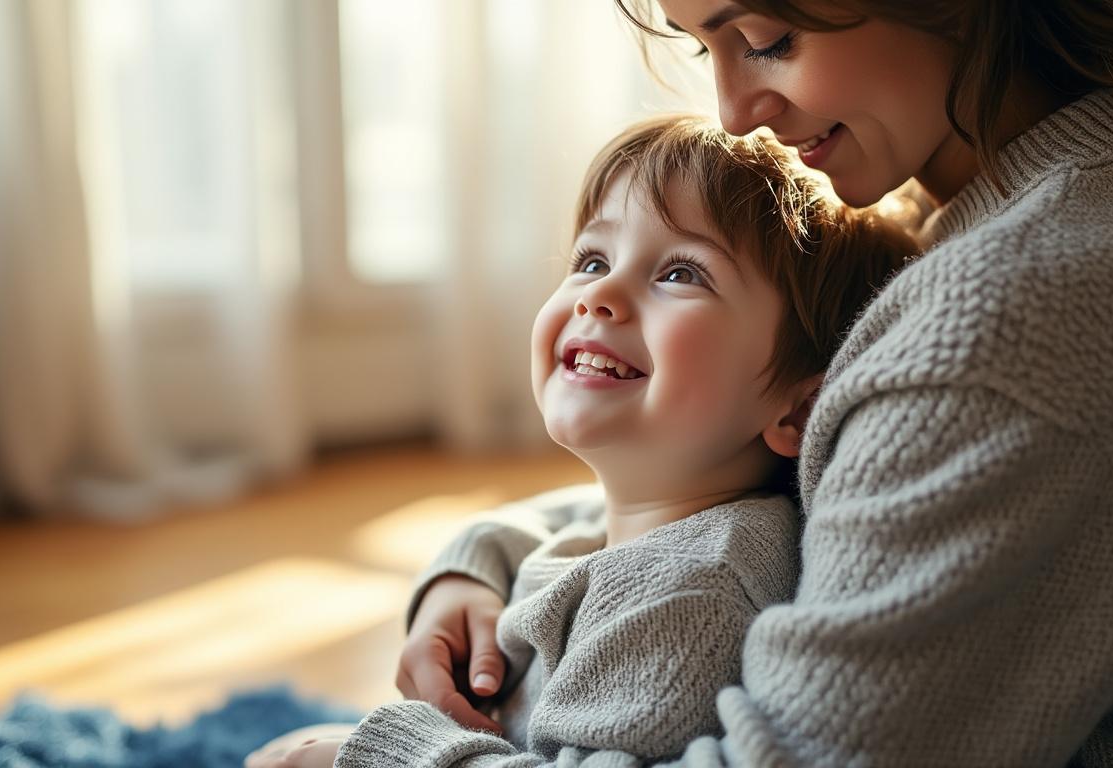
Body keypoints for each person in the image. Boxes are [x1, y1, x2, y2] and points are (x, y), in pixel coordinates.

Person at [397, 1, 1113, 766]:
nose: (735, 116)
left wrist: (391, 757)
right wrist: (483, 562)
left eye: (768, 38)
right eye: (707, 49)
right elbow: (717, 491)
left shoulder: (999, 337)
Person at [243, 114, 917, 767]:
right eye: (592, 258)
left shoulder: (685, 597)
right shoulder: (662, 510)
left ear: (799, 412)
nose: (601, 295)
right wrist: (462, 576)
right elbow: (553, 518)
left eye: (680, 273)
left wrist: (392, 756)